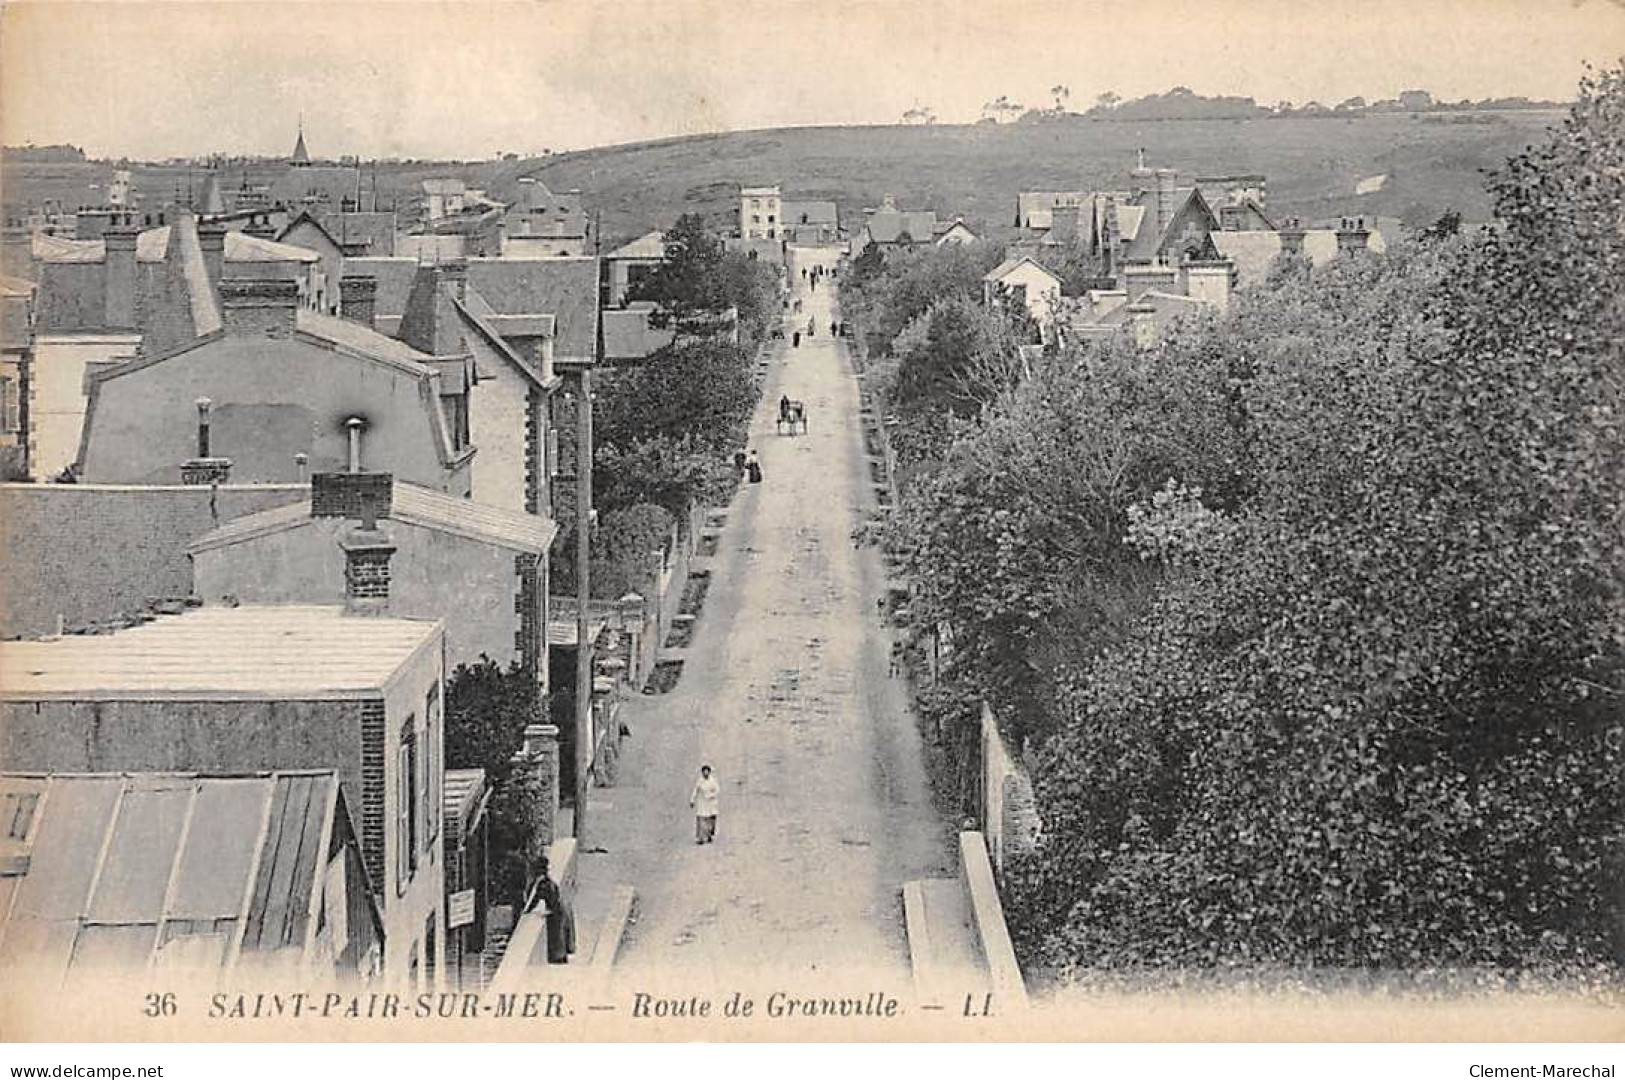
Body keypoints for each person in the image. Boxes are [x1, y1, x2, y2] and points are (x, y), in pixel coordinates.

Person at [524, 855, 575, 963]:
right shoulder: (547, 882)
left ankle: (559, 959)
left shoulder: (543, 884)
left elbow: (535, 899)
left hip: (556, 912)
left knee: (557, 938)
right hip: (559, 910)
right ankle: (561, 957)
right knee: (560, 938)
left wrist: (527, 911)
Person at [690, 764, 720, 844]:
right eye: (704, 772)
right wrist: (692, 800)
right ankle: (700, 838)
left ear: (709, 772)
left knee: (710, 821)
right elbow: (695, 791)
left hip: (711, 804)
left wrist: (710, 795)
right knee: (701, 820)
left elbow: (717, 790)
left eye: (707, 772)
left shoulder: (712, 781)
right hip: (702, 803)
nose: (705, 774)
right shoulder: (700, 781)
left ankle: (709, 835)